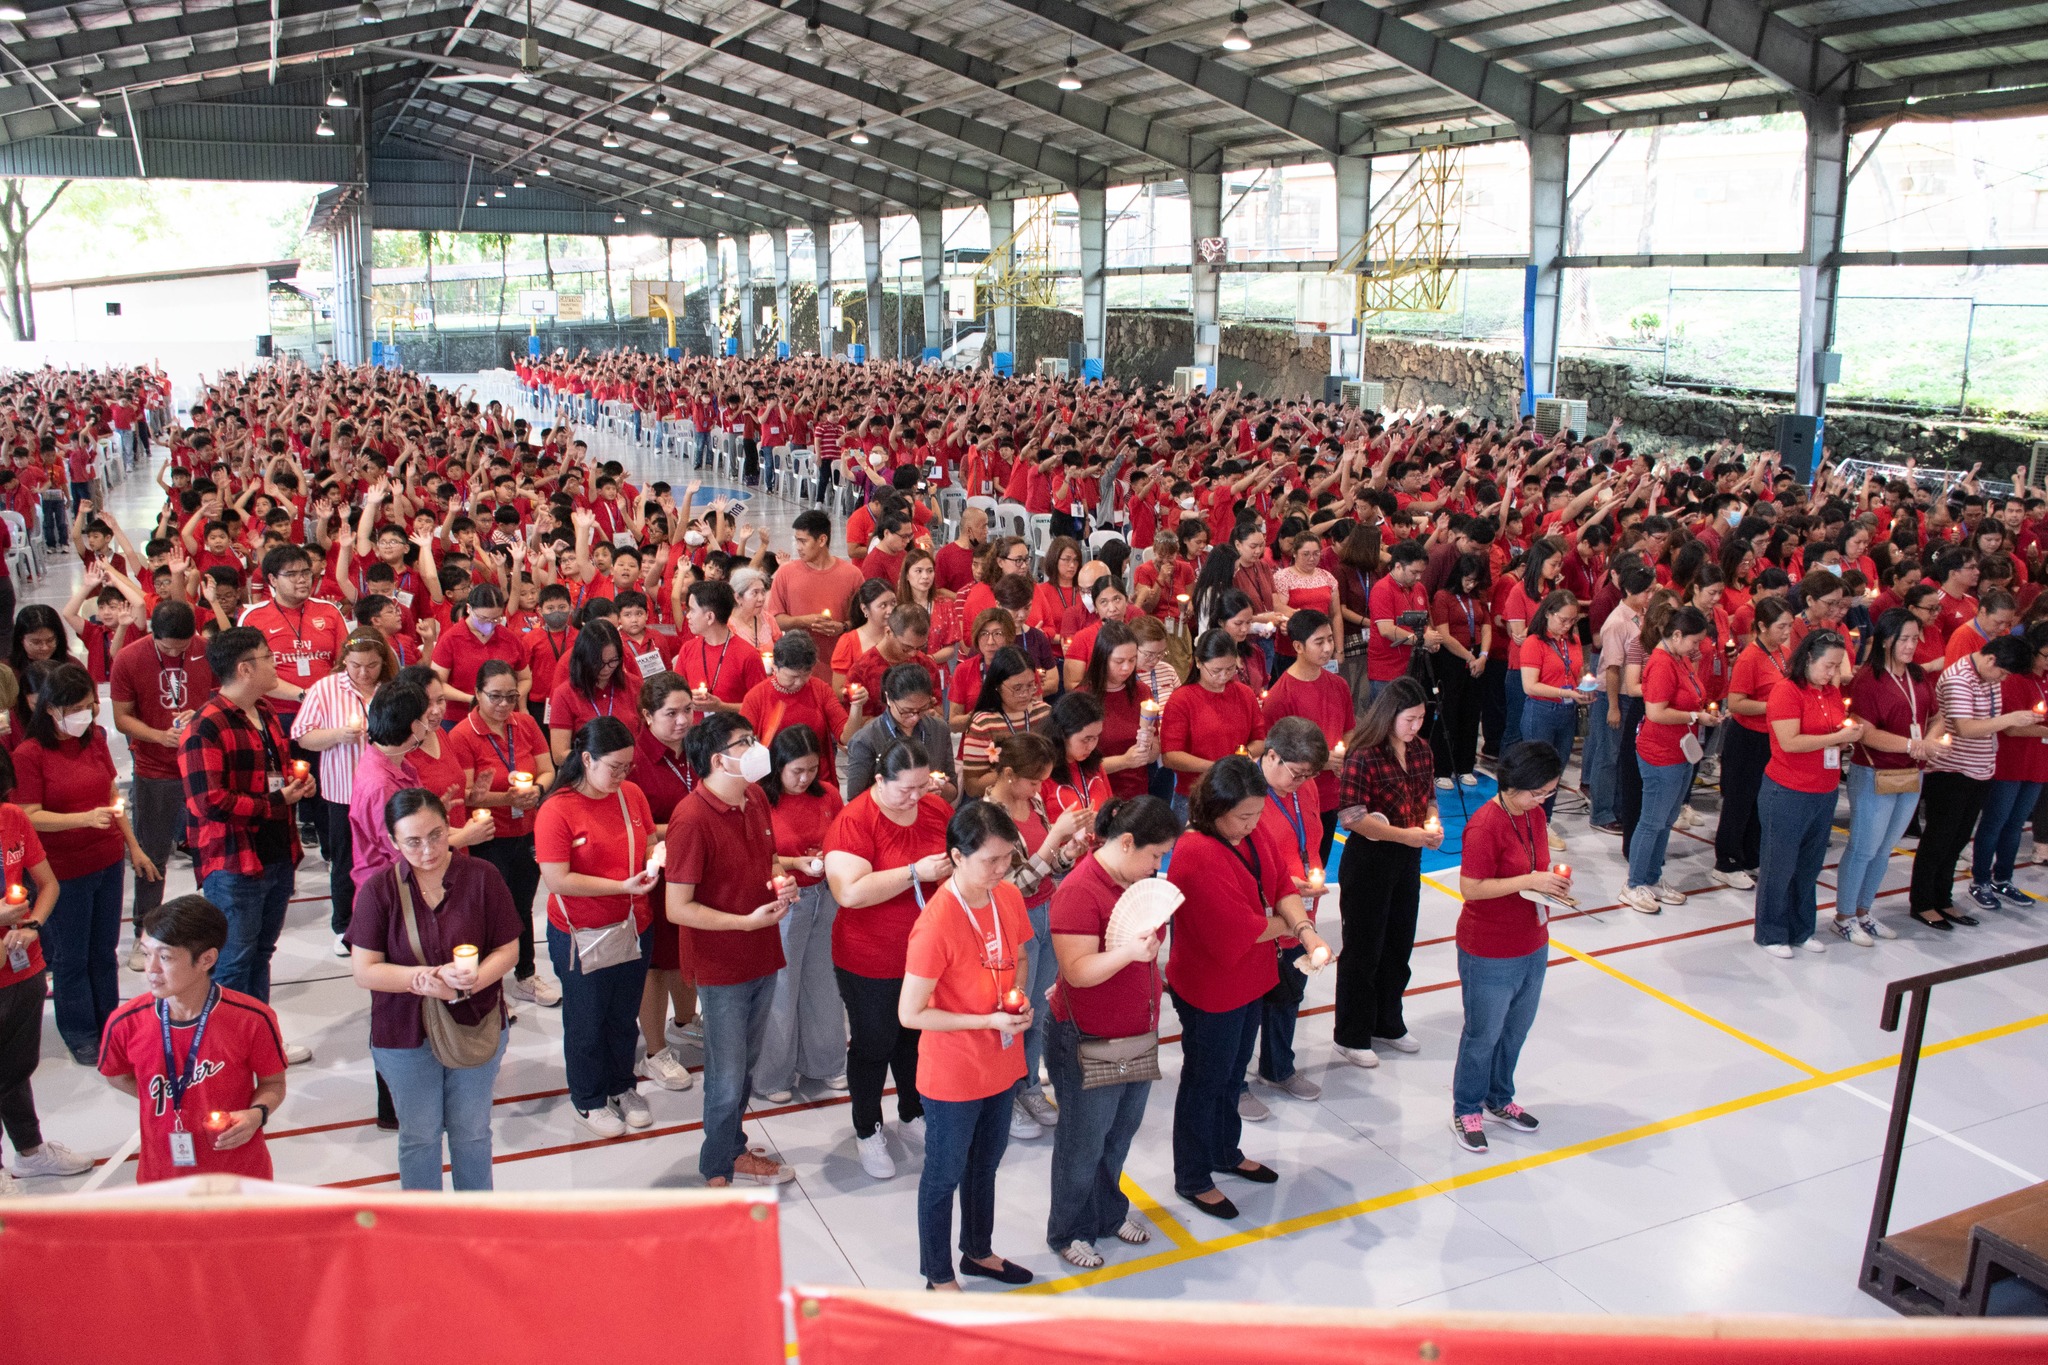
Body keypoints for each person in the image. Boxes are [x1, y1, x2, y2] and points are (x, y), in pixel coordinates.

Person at [1165, 755, 1327, 1219]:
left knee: (1233, 1075)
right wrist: (1295, 930)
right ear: (1214, 808)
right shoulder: (1195, 853)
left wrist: (1305, 930)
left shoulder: (1252, 833)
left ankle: (1224, 1151)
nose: (1252, 824)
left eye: (1257, 814)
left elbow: (1280, 884)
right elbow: (1241, 928)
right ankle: (1193, 1175)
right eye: (1243, 816)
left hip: (1250, 976)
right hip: (1211, 985)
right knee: (1205, 1079)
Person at [347, 789, 519, 1190]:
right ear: (392, 842)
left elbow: (507, 949)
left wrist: (470, 982)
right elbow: (364, 970)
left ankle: (474, 1224)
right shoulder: (379, 891)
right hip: (404, 1032)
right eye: (413, 841)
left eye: (437, 835)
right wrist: (426, 979)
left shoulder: (482, 877)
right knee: (420, 1135)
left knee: (473, 1132)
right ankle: (426, 1229)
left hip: (475, 1023)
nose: (428, 850)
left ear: (450, 827)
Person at [898, 799, 1038, 1289]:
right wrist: (983, 1018)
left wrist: (1014, 1005)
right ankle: (938, 1275)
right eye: (990, 862)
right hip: (953, 1072)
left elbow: (1018, 956)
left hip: (1001, 1057)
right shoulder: (935, 924)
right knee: (944, 1174)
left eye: (1007, 859)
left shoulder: (1008, 898)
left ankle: (979, 1251)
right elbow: (910, 1012)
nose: (1002, 871)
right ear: (957, 856)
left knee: (987, 1162)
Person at [1043, 794, 1180, 1267]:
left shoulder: (1139, 880)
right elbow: (1077, 971)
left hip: (1137, 1032)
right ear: (1126, 842)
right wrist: (1129, 953)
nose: (1159, 864)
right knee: (1082, 1144)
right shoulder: (1080, 891)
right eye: (1155, 853)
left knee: (1119, 1134)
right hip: (1088, 1040)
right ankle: (1069, 1230)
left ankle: (1106, 1212)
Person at [667, 711, 799, 1187]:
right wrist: (742, 923)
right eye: (746, 742)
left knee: (745, 1066)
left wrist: (782, 882)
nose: (757, 747)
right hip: (722, 962)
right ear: (719, 759)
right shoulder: (691, 818)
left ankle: (733, 1145)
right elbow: (678, 907)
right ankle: (718, 1164)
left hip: (761, 948)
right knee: (726, 1073)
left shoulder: (756, 796)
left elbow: (769, 858)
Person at [179, 626, 317, 1049]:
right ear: (244, 667)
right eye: (269, 658)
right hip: (234, 863)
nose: (278, 665)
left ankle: (257, 1040)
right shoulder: (205, 727)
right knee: (232, 963)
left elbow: (273, 779)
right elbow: (208, 802)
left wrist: (297, 789)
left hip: (275, 852)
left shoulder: (267, 713)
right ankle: (223, 1049)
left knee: (261, 953)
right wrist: (274, 804)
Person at [824, 736, 953, 1180]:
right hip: (870, 956)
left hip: (925, 954)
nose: (916, 798)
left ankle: (912, 1110)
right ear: (880, 779)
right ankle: (867, 1128)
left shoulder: (935, 810)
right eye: (905, 789)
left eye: (923, 787)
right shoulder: (855, 820)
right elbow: (850, 892)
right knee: (873, 1043)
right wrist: (915, 872)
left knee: (916, 1038)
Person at [15, 661, 156, 1065]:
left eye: (88, 706)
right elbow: (28, 814)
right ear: (49, 709)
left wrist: (135, 847)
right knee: (71, 956)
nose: (85, 715)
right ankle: (80, 1030)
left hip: (107, 859)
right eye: (74, 708)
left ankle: (110, 1021)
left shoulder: (92, 738)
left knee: (104, 950)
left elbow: (112, 795)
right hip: (63, 871)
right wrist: (81, 819)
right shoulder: (30, 754)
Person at [97, 895, 288, 1182]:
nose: (151, 969)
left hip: (239, 1177)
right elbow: (116, 1075)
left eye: (165, 957)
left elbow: (273, 1083)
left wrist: (256, 1114)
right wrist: (172, 1098)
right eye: (147, 953)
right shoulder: (124, 1023)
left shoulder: (253, 1019)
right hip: (161, 1178)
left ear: (206, 959)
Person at [535, 717, 661, 1138]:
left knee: (623, 1016)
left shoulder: (631, 795)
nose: (622, 776)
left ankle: (622, 1084)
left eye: (628, 767)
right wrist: (619, 886)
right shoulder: (558, 810)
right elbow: (557, 879)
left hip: (632, 925)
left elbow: (645, 842)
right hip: (580, 932)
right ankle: (588, 1098)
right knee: (587, 1019)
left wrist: (654, 860)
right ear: (586, 758)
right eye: (614, 767)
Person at [1450, 741, 1565, 1154]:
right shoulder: (1485, 824)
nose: (1543, 800)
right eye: (1538, 792)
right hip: (1490, 948)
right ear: (1513, 785)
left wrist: (1551, 886)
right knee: (1483, 1033)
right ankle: (1466, 1107)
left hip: (1533, 941)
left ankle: (1499, 1096)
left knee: (1515, 1030)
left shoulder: (1532, 814)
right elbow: (1471, 888)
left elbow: (1534, 866)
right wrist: (1530, 881)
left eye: (1549, 792)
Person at [982, 730, 1089, 1139]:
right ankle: (1002, 1096)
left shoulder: (1036, 801)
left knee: (1036, 1012)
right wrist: (1055, 843)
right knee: (1010, 1011)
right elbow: (1009, 884)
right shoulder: (991, 815)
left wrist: (1068, 850)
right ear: (1008, 774)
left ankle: (1026, 1085)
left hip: (1045, 910)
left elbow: (1048, 869)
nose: (1039, 787)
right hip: (1012, 920)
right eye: (1032, 780)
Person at [1332, 676, 1441, 1069]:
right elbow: (1352, 817)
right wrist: (1403, 835)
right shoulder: (1364, 754)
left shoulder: (1422, 751)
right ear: (1390, 715)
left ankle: (1387, 1021)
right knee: (1363, 948)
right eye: (1409, 719)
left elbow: (1428, 796)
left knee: (1399, 943)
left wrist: (1431, 822)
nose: (1415, 727)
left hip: (1408, 859)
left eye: (1420, 719)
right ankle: (1351, 1033)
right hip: (1369, 861)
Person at [0, 747, 92, 1183]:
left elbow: (47, 883)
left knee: (16, 1068)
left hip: (24, 966)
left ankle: (30, 1151)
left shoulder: (13, 819)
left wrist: (33, 924)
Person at [109, 600, 213, 970]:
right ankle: (143, 933)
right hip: (155, 768)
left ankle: (209, 933)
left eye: (182, 647)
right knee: (152, 855)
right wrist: (157, 736)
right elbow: (121, 718)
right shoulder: (129, 658)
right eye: (168, 647)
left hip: (202, 764)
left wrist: (200, 713)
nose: (176, 652)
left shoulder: (205, 650)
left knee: (211, 846)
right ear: (153, 633)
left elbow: (223, 695)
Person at [449, 657, 559, 1009]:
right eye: (494, 696)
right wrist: (504, 797)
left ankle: (525, 974)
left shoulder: (525, 723)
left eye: (510, 696)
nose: (503, 705)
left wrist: (538, 792)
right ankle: (487, 983)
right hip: (487, 834)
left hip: (526, 829)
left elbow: (546, 769)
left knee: (522, 904)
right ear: (477, 694)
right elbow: (466, 793)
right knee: (487, 909)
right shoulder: (462, 734)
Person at [1238, 717, 1334, 1115]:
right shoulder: (1241, 795)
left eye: (1308, 775)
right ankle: (1236, 1083)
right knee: (1244, 1004)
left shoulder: (1305, 788)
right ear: (1271, 755)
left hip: (1298, 909)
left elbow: (1309, 840)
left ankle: (1278, 1067)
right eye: (1296, 773)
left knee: (1290, 991)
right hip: (1257, 917)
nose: (1302, 781)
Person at [1910, 634, 2036, 932]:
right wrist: (2010, 720)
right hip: (1952, 771)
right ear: (1991, 659)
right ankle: (1923, 902)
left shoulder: (1989, 677)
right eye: (2003, 673)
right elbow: (1965, 728)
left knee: (1957, 840)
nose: (2004, 679)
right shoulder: (1959, 678)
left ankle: (1943, 897)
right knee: (1938, 840)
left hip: (1979, 769)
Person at [1754, 629, 1860, 957]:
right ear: (1809, 659)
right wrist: (1834, 739)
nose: (1833, 673)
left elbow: (1830, 731)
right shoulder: (1787, 692)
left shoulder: (1828, 693)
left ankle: (1802, 928)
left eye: (1838, 666)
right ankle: (1772, 932)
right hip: (1787, 790)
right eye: (1828, 665)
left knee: (1810, 865)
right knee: (1779, 865)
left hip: (1823, 789)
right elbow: (1790, 742)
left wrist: (1847, 736)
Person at [1836, 608, 1939, 944]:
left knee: (1884, 849)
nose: (1911, 646)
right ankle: (1845, 915)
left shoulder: (1918, 674)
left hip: (1912, 772)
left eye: (1915, 639)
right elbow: (1864, 732)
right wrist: (1913, 743)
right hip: (1875, 773)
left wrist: (1931, 741)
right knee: (1864, 847)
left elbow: (1936, 715)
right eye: (1904, 639)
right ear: (1886, 640)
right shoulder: (1869, 679)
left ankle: (1865, 911)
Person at [756, 724, 847, 1102]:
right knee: (782, 985)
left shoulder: (827, 794)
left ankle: (825, 1062)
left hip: (825, 895)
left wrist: (829, 860)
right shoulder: (761, 799)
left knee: (823, 981)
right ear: (777, 766)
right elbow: (760, 855)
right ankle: (771, 1075)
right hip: (785, 899)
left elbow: (843, 838)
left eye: (812, 769)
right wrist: (797, 861)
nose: (805, 777)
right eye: (797, 770)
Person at [621, 670, 699, 1091]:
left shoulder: (698, 751)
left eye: (688, 710)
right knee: (654, 963)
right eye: (672, 713)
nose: (683, 721)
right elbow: (638, 826)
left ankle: (686, 1021)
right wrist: (692, 825)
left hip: (696, 869)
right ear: (647, 715)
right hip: (655, 872)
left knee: (687, 948)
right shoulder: (634, 762)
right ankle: (654, 1050)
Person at [292, 631, 392, 954]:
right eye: (356, 665)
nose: (363, 673)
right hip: (344, 790)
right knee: (346, 858)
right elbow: (302, 735)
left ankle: (388, 919)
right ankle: (344, 924)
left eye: (372, 666)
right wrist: (337, 735)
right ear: (343, 662)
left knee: (387, 856)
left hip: (387, 788)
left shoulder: (391, 689)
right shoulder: (326, 688)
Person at [1621, 605, 1718, 915]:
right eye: (1694, 641)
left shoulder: (1680, 659)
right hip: (1660, 753)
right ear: (1677, 635)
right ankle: (1634, 883)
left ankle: (1652, 877)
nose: (1697, 647)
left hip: (1680, 751)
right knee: (1651, 821)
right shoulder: (1662, 664)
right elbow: (1655, 712)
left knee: (1665, 820)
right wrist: (1694, 715)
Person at [1713, 597, 1794, 889]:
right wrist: (1774, 706)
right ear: (1762, 626)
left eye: (1789, 625)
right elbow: (1736, 703)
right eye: (1781, 626)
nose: (1786, 632)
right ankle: (1727, 860)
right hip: (1747, 738)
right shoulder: (1750, 657)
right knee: (1739, 800)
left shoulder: (1784, 652)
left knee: (1761, 800)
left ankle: (1750, 855)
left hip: (1770, 737)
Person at [1968, 622, 2048, 916]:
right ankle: (1980, 880)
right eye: (2046, 656)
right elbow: (2012, 729)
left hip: (2038, 762)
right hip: (2010, 762)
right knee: (1995, 822)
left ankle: (2003, 878)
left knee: (2015, 825)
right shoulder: (2015, 679)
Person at [1261, 610, 1352, 865]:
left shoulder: (1339, 686)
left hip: (1330, 795)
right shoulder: (1281, 695)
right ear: (1298, 646)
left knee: (1318, 862)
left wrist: (1344, 757)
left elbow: (1349, 730)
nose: (1327, 648)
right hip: (1293, 796)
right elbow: (1272, 754)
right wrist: (1321, 762)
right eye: (1319, 642)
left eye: (1330, 640)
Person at [1159, 629, 1266, 819]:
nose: (1224, 676)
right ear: (1199, 663)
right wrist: (1217, 767)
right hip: (1194, 795)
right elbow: (1171, 756)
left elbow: (1259, 740)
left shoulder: (1244, 694)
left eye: (1230, 669)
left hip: (1236, 793)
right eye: (1216, 671)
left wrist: (1243, 756)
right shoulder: (1181, 700)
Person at [1516, 589, 1591, 830]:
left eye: (1572, 621)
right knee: (1537, 773)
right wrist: (1565, 692)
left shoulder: (1573, 641)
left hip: (1566, 713)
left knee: (1555, 773)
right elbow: (1529, 686)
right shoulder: (1533, 642)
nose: (1567, 626)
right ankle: (1530, 823)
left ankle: (1544, 822)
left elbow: (1576, 671)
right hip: (1541, 712)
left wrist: (1585, 689)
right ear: (1548, 613)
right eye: (1563, 620)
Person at [741, 630, 859, 779]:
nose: (800, 682)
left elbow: (847, 737)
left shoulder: (820, 689)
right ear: (775, 667)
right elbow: (744, 747)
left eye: (807, 674)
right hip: (774, 781)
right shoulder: (757, 696)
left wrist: (856, 706)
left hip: (817, 778)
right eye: (794, 676)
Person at [767, 508, 863, 680]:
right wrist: (803, 621)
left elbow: (864, 620)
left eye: (803, 541)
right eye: (796, 541)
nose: (798, 547)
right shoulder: (786, 573)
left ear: (822, 540)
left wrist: (843, 627)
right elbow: (774, 620)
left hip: (840, 669)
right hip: (798, 671)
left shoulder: (852, 575)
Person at [844, 662, 957, 802]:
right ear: (889, 699)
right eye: (906, 711)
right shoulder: (866, 739)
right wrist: (907, 790)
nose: (915, 717)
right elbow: (855, 799)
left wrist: (940, 787)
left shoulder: (939, 729)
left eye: (923, 709)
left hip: (929, 814)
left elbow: (953, 791)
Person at [1075, 620, 1159, 801]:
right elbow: (1077, 765)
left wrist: (1148, 742)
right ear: (1102, 658)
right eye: (1119, 661)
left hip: (1136, 793)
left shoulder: (1142, 692)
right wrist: (1124, 761)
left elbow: (1153, 756)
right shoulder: (1081, 698)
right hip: (1096, 795)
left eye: (1132, 660)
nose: (1127, 668)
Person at [1429, 553, 1491, 789]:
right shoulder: (1443, 597)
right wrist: (1469, 656)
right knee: (1449, 713)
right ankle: (1442, 768)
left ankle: (1465, 766)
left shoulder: (1478, 597)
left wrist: (1483, 656)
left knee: (1471, 714)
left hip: (1476, 659)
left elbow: (1486, 628)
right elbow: (1444, 635)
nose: (1470, 585)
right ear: (1458, 575)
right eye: (1467, 579)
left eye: (1475, 581)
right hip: (1453, 659)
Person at [957, 645, 1051, 798]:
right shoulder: (984, 723)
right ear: (997, 686)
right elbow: (973, 787)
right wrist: (1018, 768)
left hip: (1043, 797)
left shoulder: (1044, 714)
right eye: (1017, 688)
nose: (1025, 695)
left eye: (1030, 686)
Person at [431, 583, 530, 726]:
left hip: (501, 716)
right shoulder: (451, 638)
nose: (490, 624)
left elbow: (525, 678)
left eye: (496, 619)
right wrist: (475, 699)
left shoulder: (509, 638)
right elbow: (437, 683)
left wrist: (507, 698)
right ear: (469, 609)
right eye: (483, 619)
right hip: (459, 717)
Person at [546, 620, 641, 763]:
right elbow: (559, 755)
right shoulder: (565, 694)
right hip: (589, 774)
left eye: (613, 661)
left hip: (632, 768)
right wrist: (600, 762)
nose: (607, 669)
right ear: (584, 659)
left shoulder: (634, 685)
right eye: (598, 663)